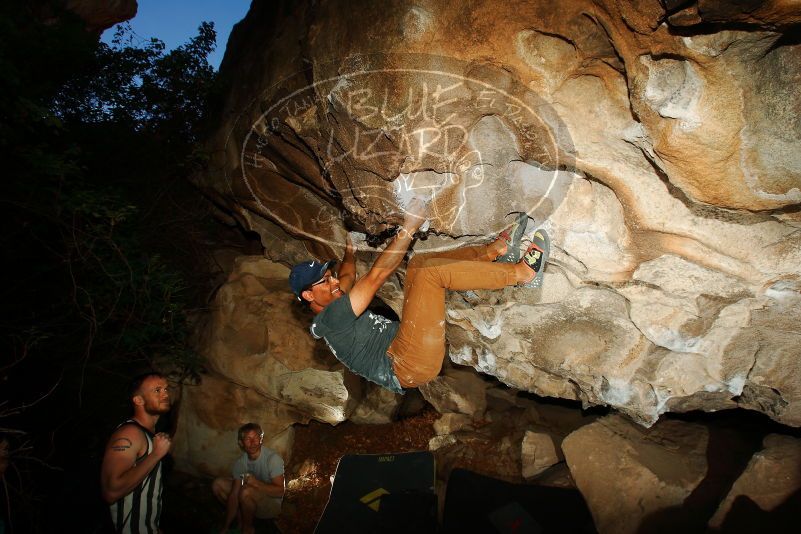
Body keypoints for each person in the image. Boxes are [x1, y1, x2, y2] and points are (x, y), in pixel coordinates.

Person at [289, 201, 549, 393]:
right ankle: (523, 274)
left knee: (419, 265)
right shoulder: (331, 319)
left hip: (404, 346)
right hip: (406, 365)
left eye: (329, 275)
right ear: (309, 294)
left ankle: (497, 250)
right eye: (325, 280)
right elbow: (375, 278)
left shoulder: (332, 299)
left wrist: (349, 250)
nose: (334, 281)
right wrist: (409, 228)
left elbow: (346, 276)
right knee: (430, 275)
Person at [100, 372, 172, 533]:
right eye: (157, 390)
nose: (165, 394)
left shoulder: (149, 434)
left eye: (166, 389)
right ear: (138, 400)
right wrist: (155, 455)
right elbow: (111, 491)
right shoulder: (129, 434)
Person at [212, 423, 285, 534]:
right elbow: (234, 494)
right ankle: (239, 518)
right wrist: (225, 526)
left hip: (271, 504)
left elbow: (281, 492)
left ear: (261, 439)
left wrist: (256, 484)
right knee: (218, 484)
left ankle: (247, 529)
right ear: (241, 443)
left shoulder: (272, 459)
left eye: (256, 438)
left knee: (246, 491)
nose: (253, 443)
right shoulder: (241, 463)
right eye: (248, 439)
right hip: (249, 497)